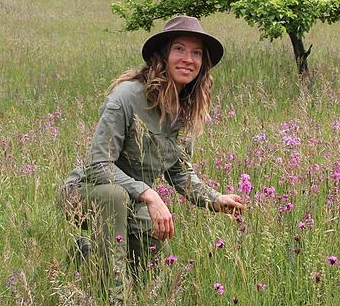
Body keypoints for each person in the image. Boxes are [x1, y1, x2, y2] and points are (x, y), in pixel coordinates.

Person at [59, 16, 247, 302]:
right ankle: (113, 299)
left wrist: (214, 198)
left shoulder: (185, 108)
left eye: (197, 53)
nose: (188, 59)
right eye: (180, 49)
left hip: (133, 201)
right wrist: (149, 195)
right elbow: (99, 165)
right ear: (163, 56)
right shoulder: (126, 97)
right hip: (86, 193)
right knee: (114, 197)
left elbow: (180, 172)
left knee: (145, 273)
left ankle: (85, 255)